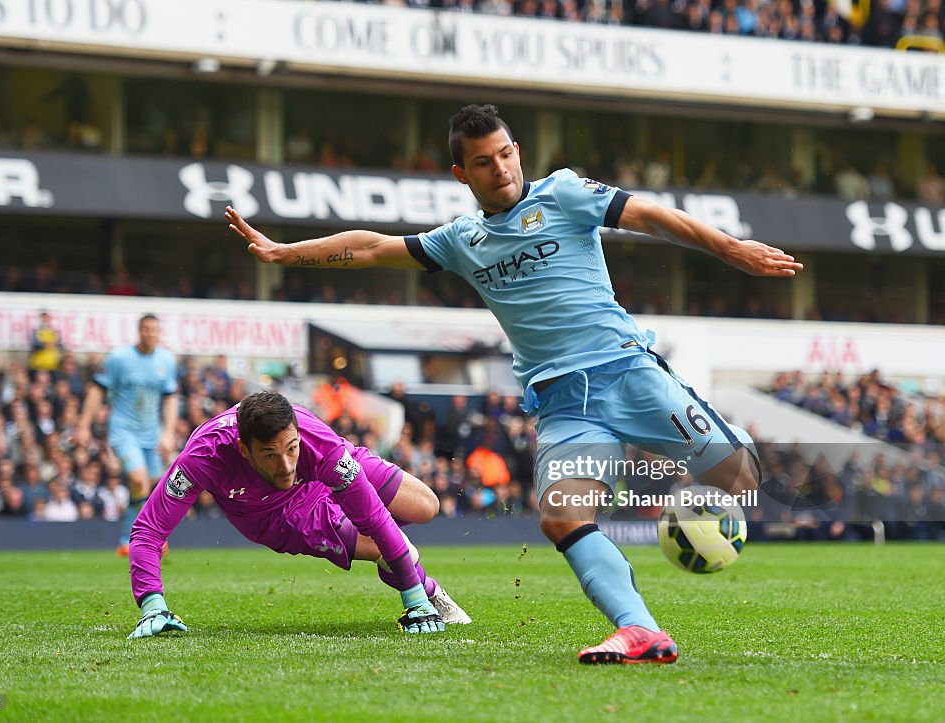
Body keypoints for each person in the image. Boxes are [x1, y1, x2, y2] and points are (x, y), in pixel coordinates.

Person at [226, 104, 803, 665]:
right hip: (562, 404)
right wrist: (283, 253)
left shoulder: (564, 193)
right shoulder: (460, 239)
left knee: (743, 478)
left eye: (506, 155)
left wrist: (731, 249)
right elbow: (372, 246)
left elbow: (650, 215)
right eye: (483, 162)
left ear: (518, 152)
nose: (500, 169)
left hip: (627, 373)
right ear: (462, 174)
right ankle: (641, 631)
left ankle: (700, 501)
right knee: (561, 518)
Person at [126, 390, 469, 639]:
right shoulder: (204, 455)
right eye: (271, 455)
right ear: (245, 450)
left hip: (323, 469)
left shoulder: (320, 445)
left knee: (426, 506)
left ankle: (402, 570)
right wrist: (152, 604)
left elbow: (375, 518)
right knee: (395, 550)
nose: (286, 465)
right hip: (278, 514)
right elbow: (149, 529)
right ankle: (429, 591)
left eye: (291, 449)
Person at [77, 314, 178, 556]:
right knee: (138, 480)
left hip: (151, 433)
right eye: (146, 330)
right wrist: (83, 425)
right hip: (123, 430)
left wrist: (169, 434)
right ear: (139, 331)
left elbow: (170, 398)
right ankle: (132, 539)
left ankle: (140, 537)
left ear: (159, 332)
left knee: (151, 488)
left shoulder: (167, 360)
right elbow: (96, 390)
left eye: (155, 330)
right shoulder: (119, 358)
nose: (151, 334)